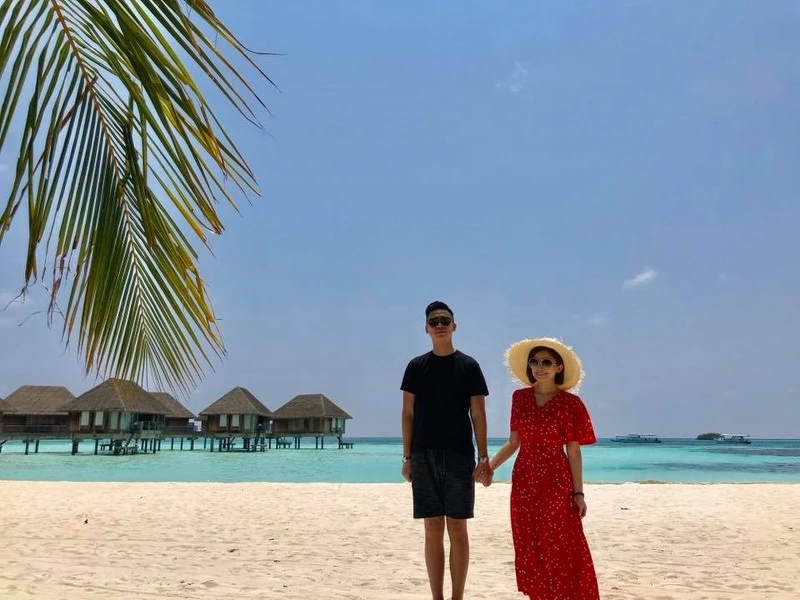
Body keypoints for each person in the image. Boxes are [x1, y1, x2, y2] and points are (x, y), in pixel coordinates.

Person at [484, 337, 599, 599]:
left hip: (556, 479)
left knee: (560, 542)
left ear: (559, 367)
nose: (539, 367)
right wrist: (489, 467)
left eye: (546, 362)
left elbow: (573, 451)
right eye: (534, 361)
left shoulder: (571, 404)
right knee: (530, 541)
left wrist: (578, 493)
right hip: (524, 477)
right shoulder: (520, 398)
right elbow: (514, 442)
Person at [400, 301, 492, 600]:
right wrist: (407, 457)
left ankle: (457, 597)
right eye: (434, 321)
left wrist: (483, 457)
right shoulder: (416, 367)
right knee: (432, 528)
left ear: (454, 326)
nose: (439, 325)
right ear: (426, 328)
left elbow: (478, 414)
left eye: (445, 320)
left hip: (459, 455)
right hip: (423, 454)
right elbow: (408, 414)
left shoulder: (469, 366)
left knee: (458, 528)